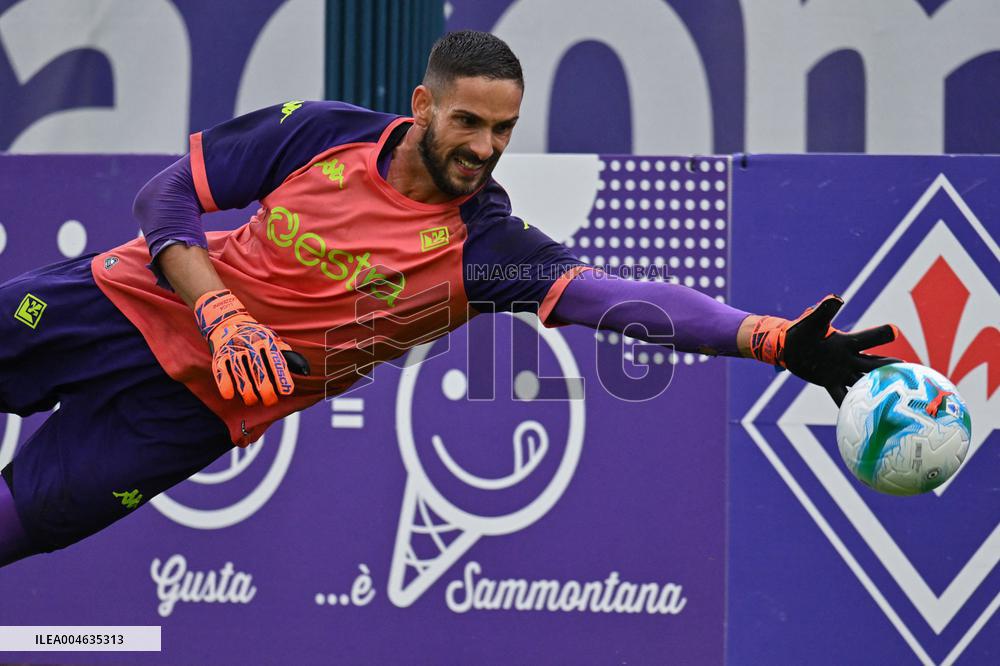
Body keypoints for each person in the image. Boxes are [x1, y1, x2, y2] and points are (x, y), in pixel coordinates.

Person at [0, 30, 897, 567]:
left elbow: (619, 298)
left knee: (15, 528)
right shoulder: (323, 132)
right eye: (467, 121)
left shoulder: (488, 249)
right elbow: (165, 198)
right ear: (425, 105)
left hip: (196, 411)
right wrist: (221, 310)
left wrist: (774, 340)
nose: (484, 146)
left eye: (503, 128)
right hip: (123, 300)